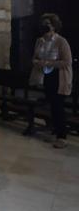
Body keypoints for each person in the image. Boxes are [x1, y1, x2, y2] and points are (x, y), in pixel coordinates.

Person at [29, 13, 72, 148]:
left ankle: (62, 136)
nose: (45, 26)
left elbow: (66, 62)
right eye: (43, 24)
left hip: (58, 77)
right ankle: (55, 131)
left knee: (58, 106)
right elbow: (35, 57)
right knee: (52, 106)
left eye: (47, 24)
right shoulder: (40, 41)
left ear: (53, 26)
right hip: (45, 77)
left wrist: (47, 63)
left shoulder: (61, 41)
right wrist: (37, 62)